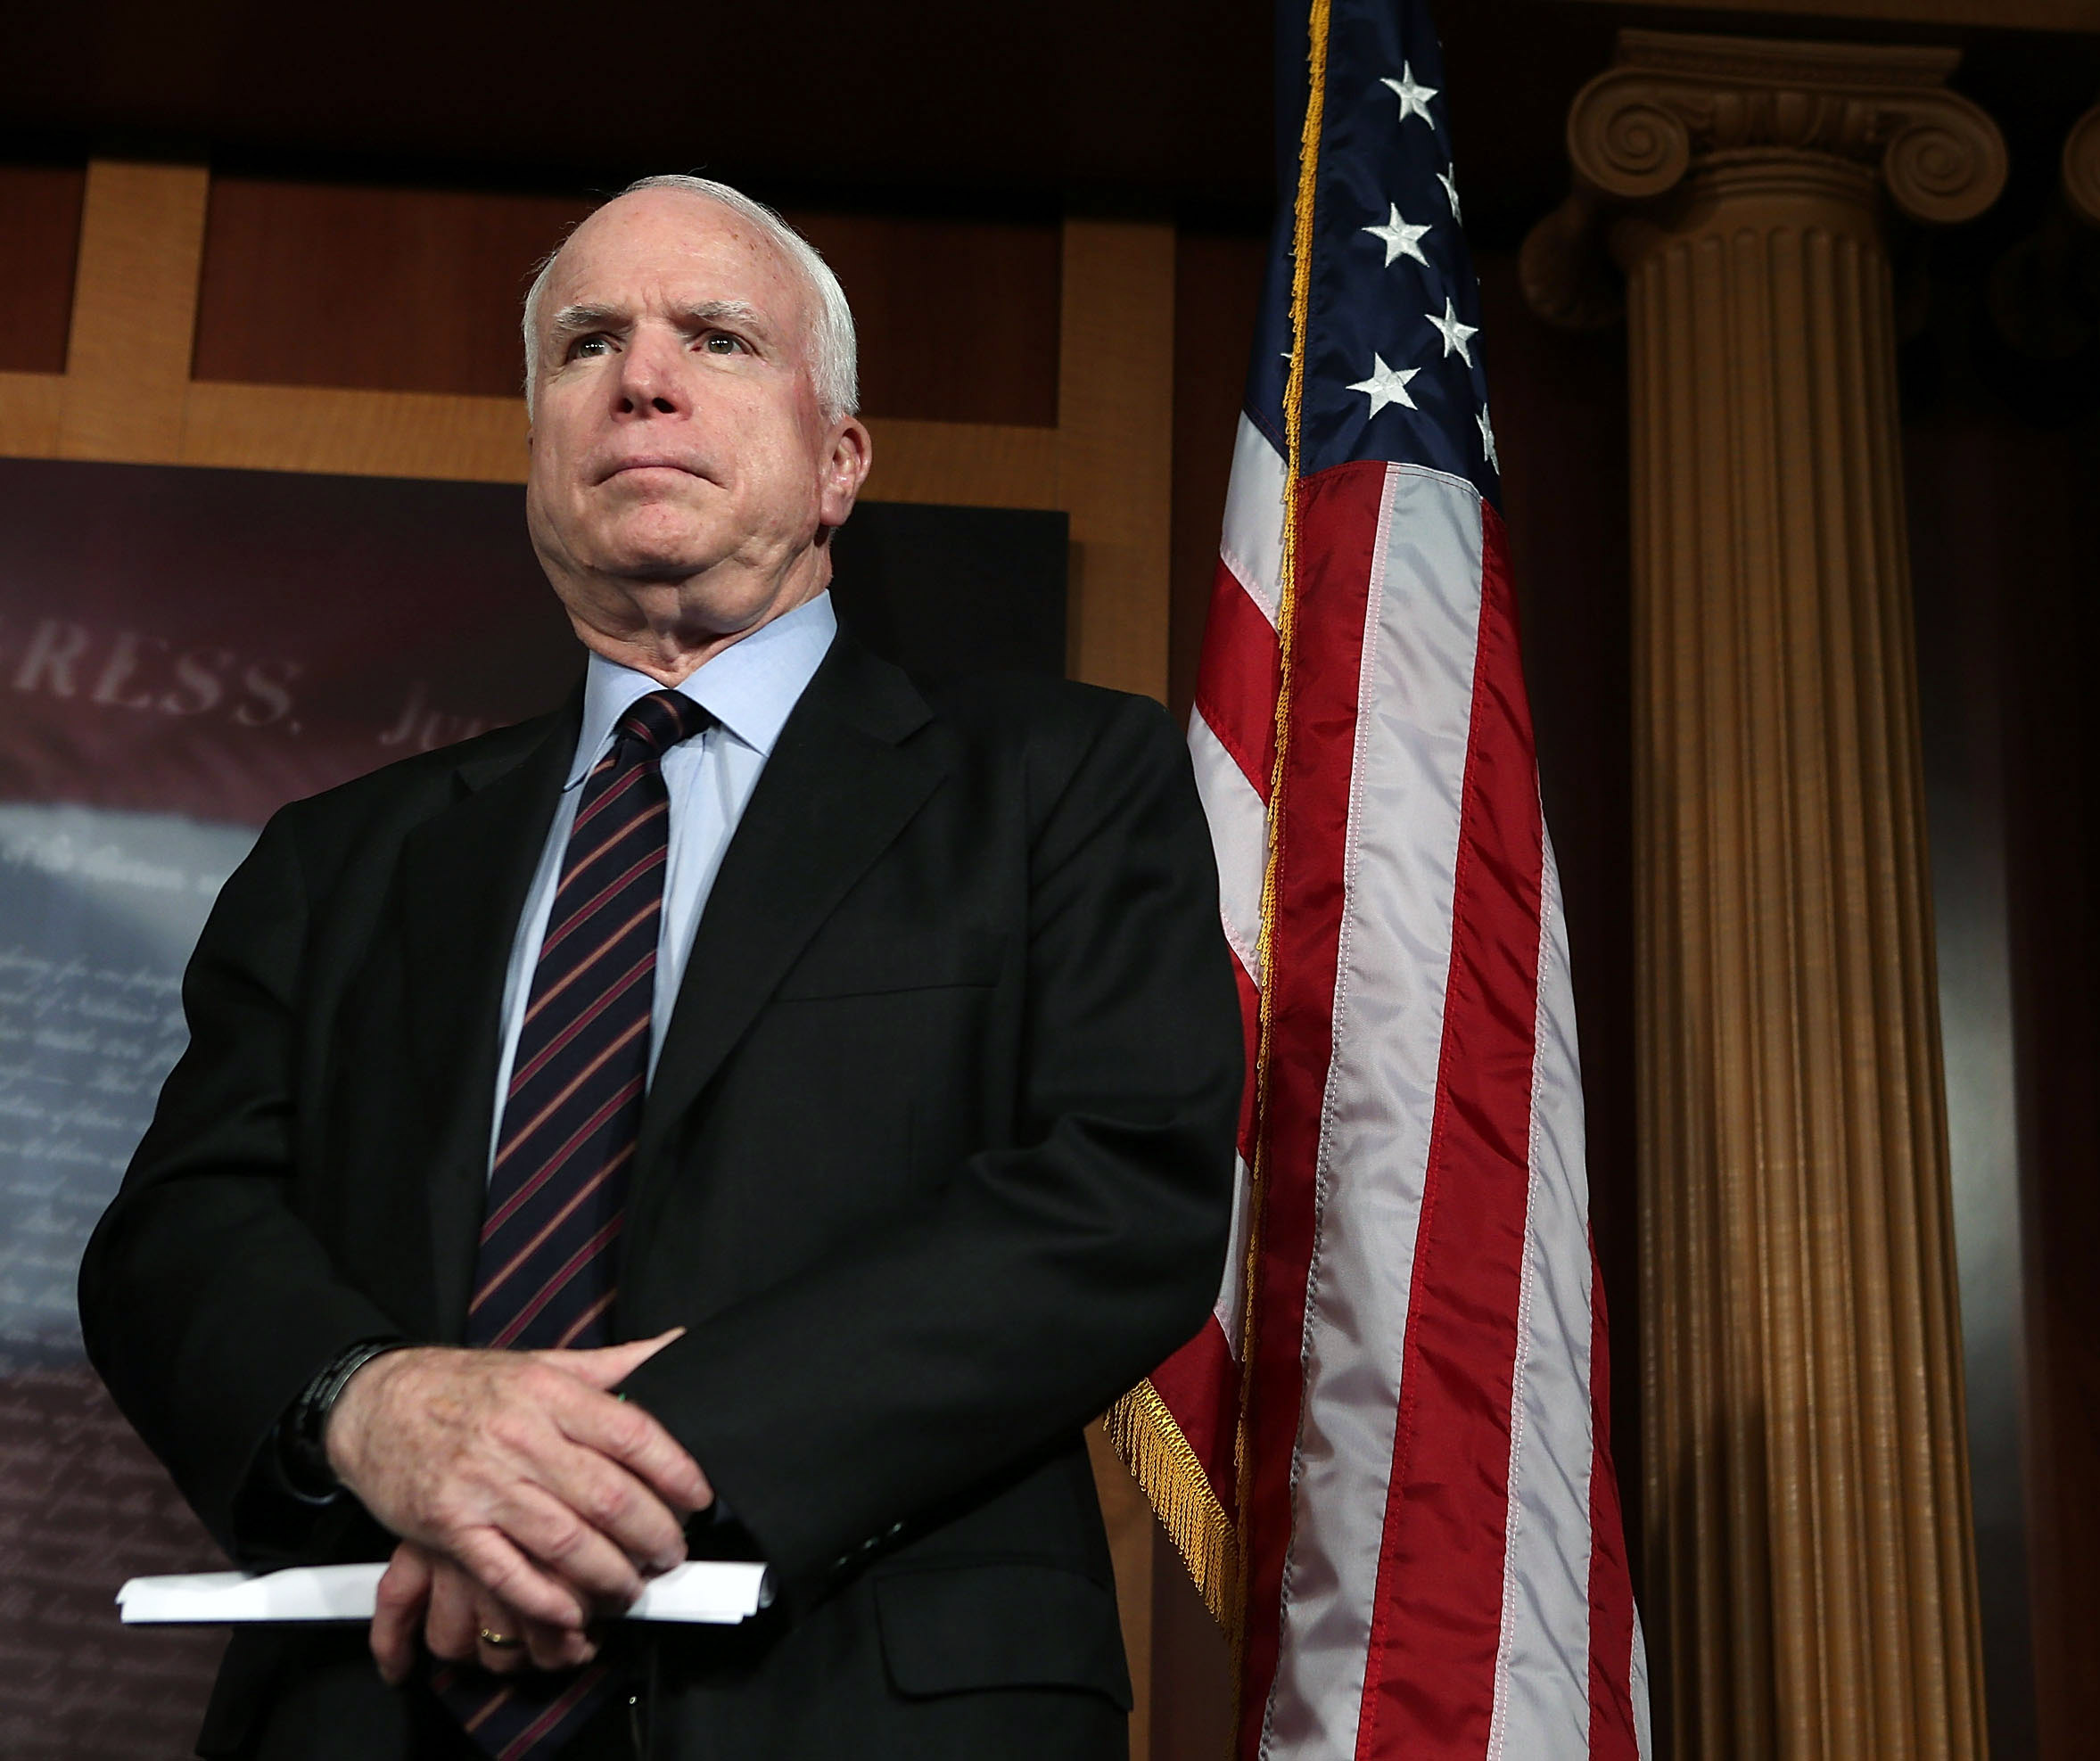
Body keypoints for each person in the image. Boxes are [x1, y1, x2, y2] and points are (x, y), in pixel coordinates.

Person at [78, 175, 1243, 1760]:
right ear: (538, 453)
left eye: (716, 335)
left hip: (865, 1700)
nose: (642, 376)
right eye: (586, 344)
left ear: (840, 461)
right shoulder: (338, 855)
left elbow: (1119, 1193)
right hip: (376, 1704)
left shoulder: (1057, 783)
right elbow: (177, 1236)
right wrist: (377, 1409)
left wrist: (586, 1472)